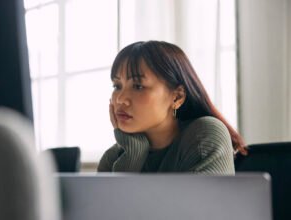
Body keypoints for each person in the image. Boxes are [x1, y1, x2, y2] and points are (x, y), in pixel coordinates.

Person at [97, 41, 247, 174]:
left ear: (177, 97)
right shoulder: (113, 158)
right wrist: (132, 154)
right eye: (117, 86)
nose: (120, 99)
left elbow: (194, 206)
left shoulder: (204, 135)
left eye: (138, 86)